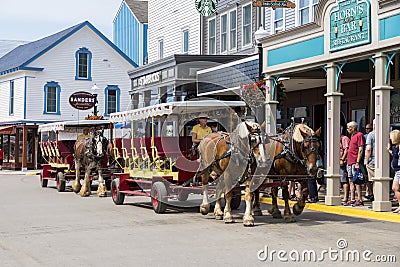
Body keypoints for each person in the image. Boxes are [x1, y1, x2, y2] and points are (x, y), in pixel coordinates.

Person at [344, 121, 366, 206]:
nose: (347, 129)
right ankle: (352, 198)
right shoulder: (352, 136)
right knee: (350, 180)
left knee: (357, 180)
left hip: (355, 161)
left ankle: (359, 199)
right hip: (349, 161)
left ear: (353, 128)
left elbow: (361, 149)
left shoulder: (359, 135)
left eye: (348, 128)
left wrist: (357, 162)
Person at [387, 130, 400, 213]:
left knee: (395, 188)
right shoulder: (396, 147)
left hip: (399, 170)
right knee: (395, 188)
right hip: (397, 171)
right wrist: (389, 150)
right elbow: (395, 155)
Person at [364, 121, 375, 201]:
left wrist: (367, 161)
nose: (367, 130)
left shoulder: (371, 135)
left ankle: (375, 197)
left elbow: (368, 149)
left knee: (373, 181)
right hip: (383, 162)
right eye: (366, 128)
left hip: (372, 161)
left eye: (369, 128)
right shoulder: (385, 133)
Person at [340, 129, 350, 203]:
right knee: (341, 180)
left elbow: (346, 149)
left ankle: (346, 197)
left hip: (343, 162)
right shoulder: (337, 139)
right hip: (337, 162)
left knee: (344, 180)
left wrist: (342, 159)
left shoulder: (344, 138)